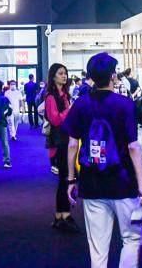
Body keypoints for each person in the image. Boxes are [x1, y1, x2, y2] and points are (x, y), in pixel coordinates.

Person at [65, 53, 142, 268]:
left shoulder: (81, 104)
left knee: (97, 246)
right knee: (131, 238)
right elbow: (133, 146)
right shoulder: (125, 104)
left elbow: (72, 144)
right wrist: (141, 184)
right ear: (113, 76)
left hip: (91, 182)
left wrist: (71, 179)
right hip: (123, 181)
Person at [45, 63, 79, 232]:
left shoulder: (65, 95)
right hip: (59, 143)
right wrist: (69, 110)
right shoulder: (51, 97)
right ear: (53, 76)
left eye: (65, 73)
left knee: (65, 178)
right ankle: (64, 215)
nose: (64, 76)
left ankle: (60, 215)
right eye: (60, 73)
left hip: (67, 139)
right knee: (65, 178)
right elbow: (55, 119)